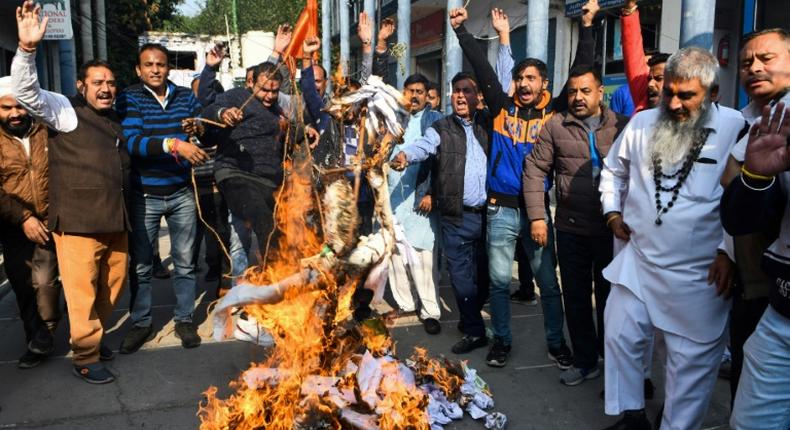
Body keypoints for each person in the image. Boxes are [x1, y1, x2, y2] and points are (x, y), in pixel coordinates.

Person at [599, 47, 744, 429]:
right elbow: (613, 171)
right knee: (620, 336)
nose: (675, 103)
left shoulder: (736, 127)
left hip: (698, 276)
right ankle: (632, 414)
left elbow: (742, 199)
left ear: (713, 94)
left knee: (688, 366)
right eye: (670, 93)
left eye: (687, 96)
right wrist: (612, 212)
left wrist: (728, 251)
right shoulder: (643, 123)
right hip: (640, 261)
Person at [451, 3, 600, 367]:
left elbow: (582, 72)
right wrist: (461, 32)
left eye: (532, 79)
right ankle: (501, 340)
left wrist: (588, 25)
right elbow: (484, 70)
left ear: (544, 84)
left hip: (536, 214)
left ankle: (555, 342)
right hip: (500, 209)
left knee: (548, 284)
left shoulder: (555, 111)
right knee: (500, 284)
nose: (525, 84)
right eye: (520, 79)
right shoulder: (502, 107)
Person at [12, 0, 129, 384]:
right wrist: (28, 49)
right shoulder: (64, 110)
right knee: (81, 296)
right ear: (81, 86)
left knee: (110, 289)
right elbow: (27, 92)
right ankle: (85, 355)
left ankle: (93, 337)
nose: (106, 88)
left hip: (115, 220)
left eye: (111, 83)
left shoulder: (115, 118)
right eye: (98, 83)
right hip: (77, 223)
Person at [524, 64, 628, 386]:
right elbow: (535, 169)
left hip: (613, 233)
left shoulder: (623, 126)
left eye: (585, 91)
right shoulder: (556, 126)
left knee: (613, 303)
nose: (578, 97)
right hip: (571, 229)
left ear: (600, 92)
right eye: (572, 91)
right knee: (577, 299)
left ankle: (616, 365)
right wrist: (537, 216)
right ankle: (585, 361)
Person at [116, 43, 208, 354]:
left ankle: (184, 319)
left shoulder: (185, 96)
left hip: (182, 191)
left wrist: (198, 127)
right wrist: (174, 144)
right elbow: (132, 142)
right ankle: (141, 322)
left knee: (184, 263)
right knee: (141, 265)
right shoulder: (129, 98)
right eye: (148, 64)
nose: (155, 69)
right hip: (145, 194)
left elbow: (203, 125)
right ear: (138, 70)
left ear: (169, 68)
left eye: (161, 64)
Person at [391, 72, 490, 353]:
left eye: (467, 90)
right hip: (455, 217)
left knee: (483, 276)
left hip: (486, 216)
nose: (460, 95)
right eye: (456, 90)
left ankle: (471, 314)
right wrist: (405, 155)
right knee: (460, 277)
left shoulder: (489, 124)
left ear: (478, 97)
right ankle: (473, 329)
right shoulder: (441, 127)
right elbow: (424, 146)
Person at [719, 28, 790, 405]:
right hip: (759, 286)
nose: (754, 68)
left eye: (767, 58)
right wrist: (726, 253)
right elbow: (733, 199)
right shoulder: (746, 122)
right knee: (749, 403)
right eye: (747, 62)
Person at [0, 76, 61, 369]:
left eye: (20, 106)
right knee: (23, 286)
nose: (15, 113)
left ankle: (45, 333)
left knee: (45, 281)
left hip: (49, 222)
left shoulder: (45, 132)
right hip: (12, 226)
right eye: (6, 107)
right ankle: (35, 341)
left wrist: (51, 215)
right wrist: (23, 217)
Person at [203, 62, 287, 253]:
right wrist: (223, 113)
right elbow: (210, 109)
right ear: (251, 82)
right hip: (237, 174)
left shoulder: (276, 110)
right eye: (264, 90)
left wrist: (305, 129)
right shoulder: (238, 96)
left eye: (274, 92)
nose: (270, 96)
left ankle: (279, 271)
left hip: (268, 181)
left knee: (283, 229)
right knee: (264, 222)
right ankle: (274, 275)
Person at [387, 73, 443, 334]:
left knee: (423, 257)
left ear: (426, 94)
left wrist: (431, 192)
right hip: (391, 196)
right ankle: (405, 303)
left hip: (420, 198)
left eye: (420, 91)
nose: (415, 96)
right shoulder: (393, 119)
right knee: (396, 255)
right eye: (410, 91)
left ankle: (430, 310)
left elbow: (439, 163)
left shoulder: (435, 120)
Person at [621, 0, 670, 112]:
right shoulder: (644, 103)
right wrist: (630, 7)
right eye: (649, 79)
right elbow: (633, 54)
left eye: (659, 78)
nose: (650, 84)